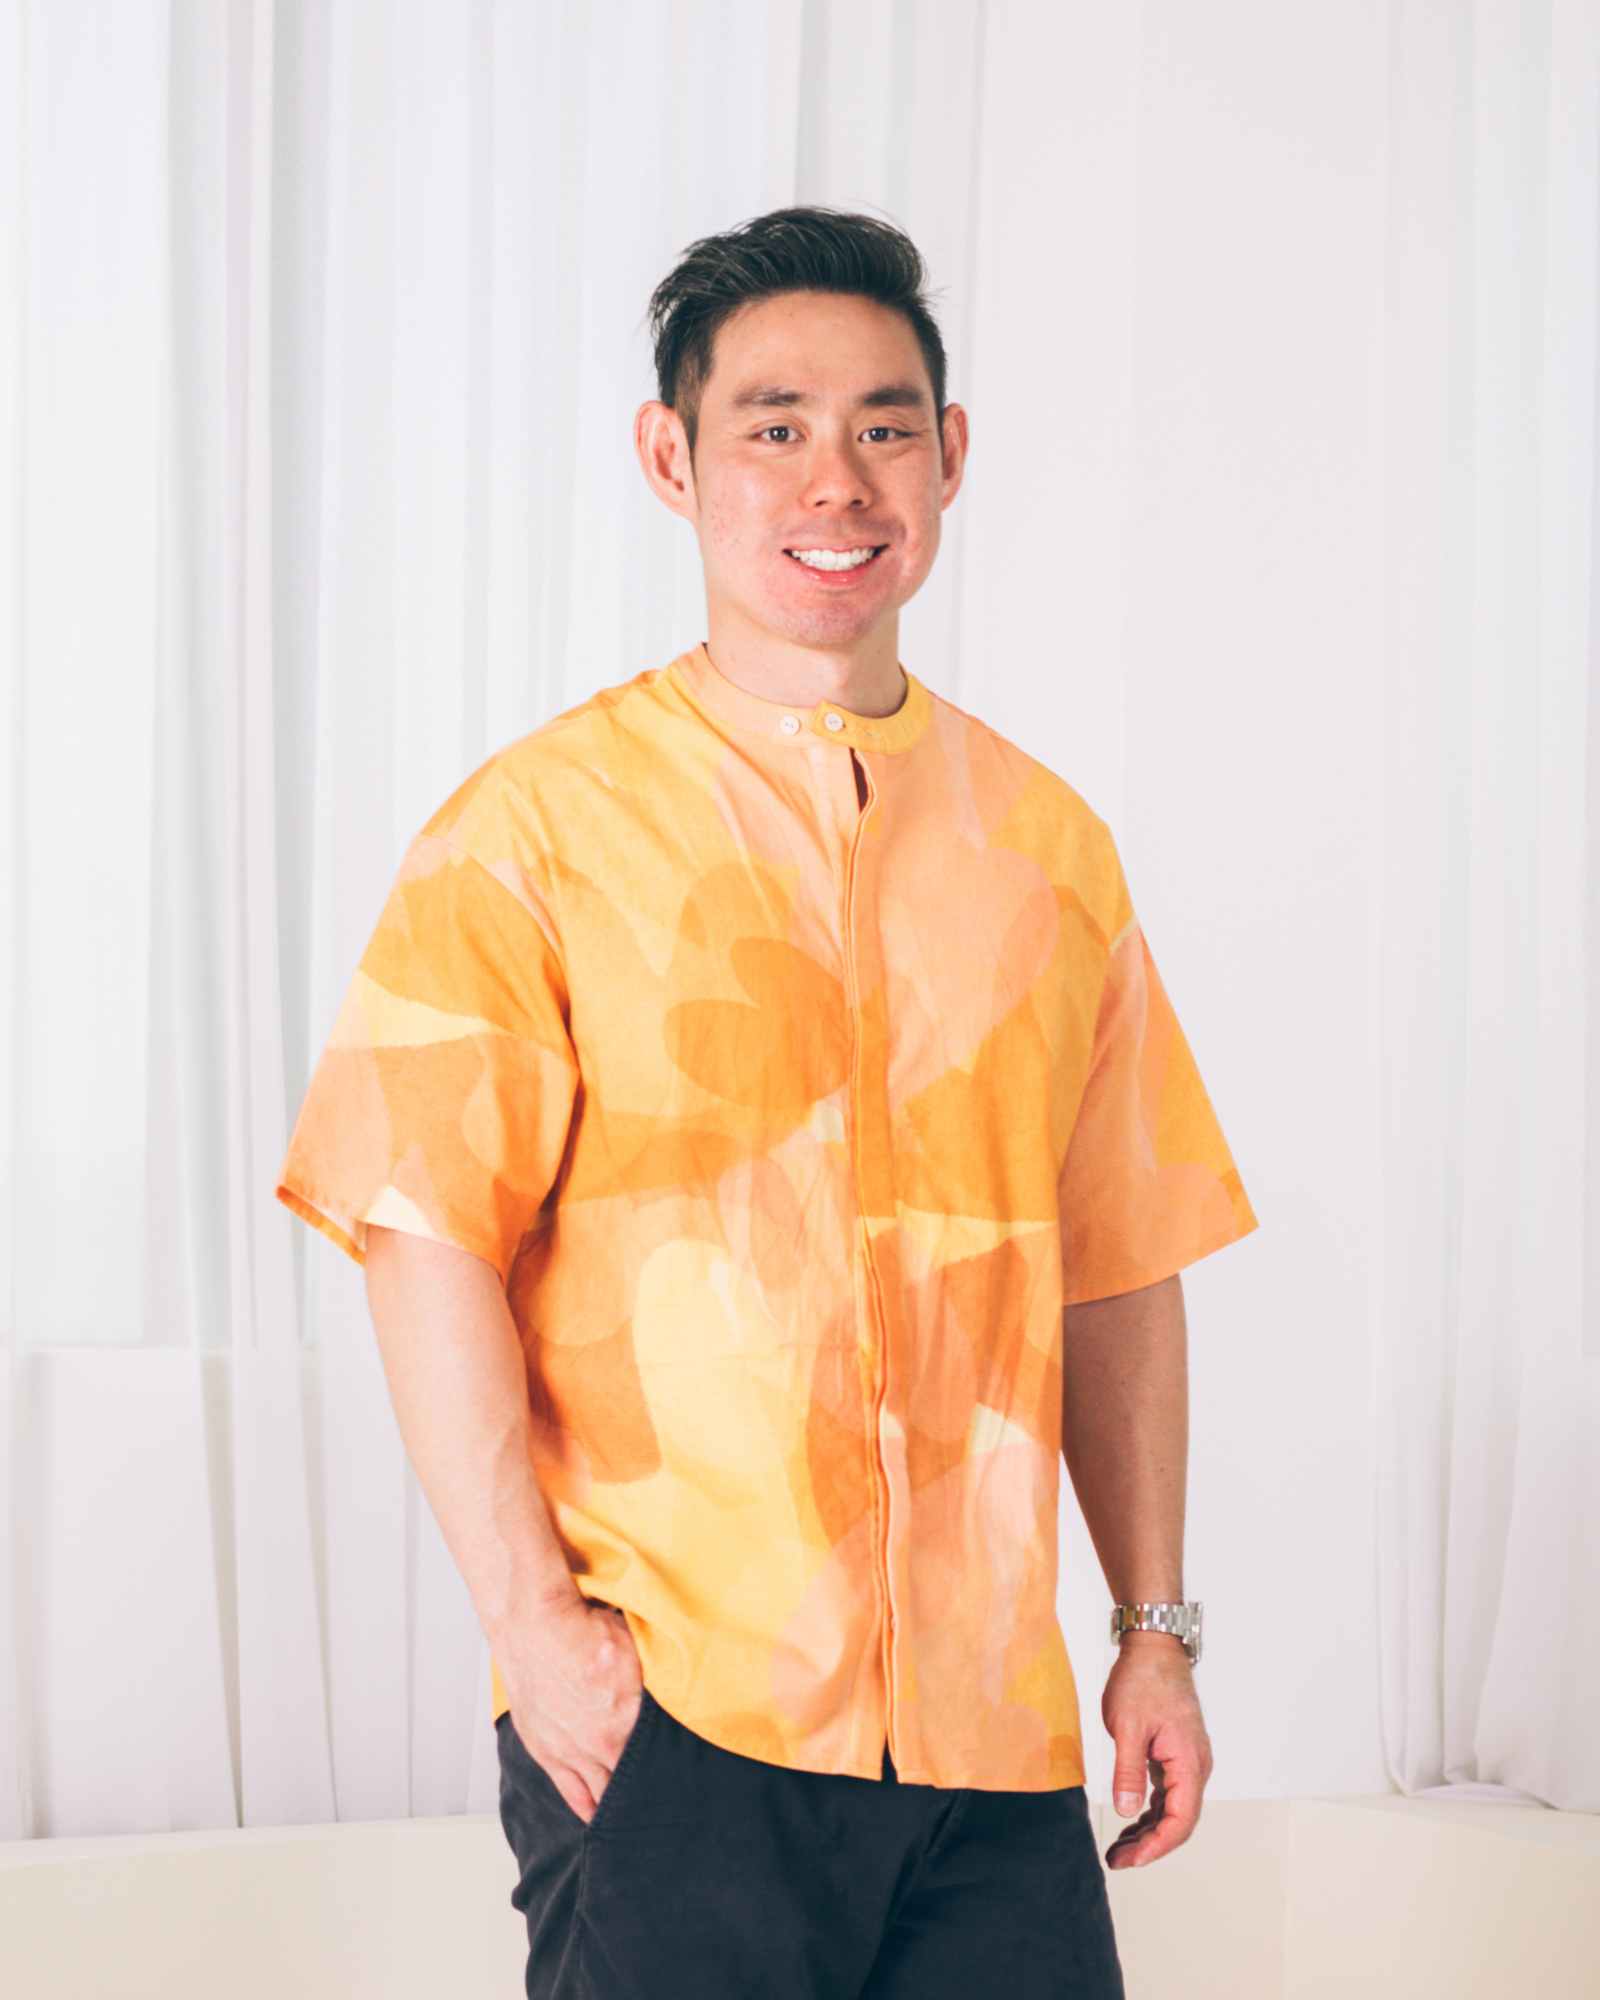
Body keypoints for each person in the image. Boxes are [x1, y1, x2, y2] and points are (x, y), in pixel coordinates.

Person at [276, 204, 1258, 1998]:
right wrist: (537, 1634)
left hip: (994, 1739)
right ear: (673, 459)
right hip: (679, 1720)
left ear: (951, 458)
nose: (838, 481)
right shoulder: (534, 834)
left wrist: (1155, 1631)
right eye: (774, 425)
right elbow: (420, 1239)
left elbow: (1119, 1265)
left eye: (885, 426)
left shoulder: (1050, 852)